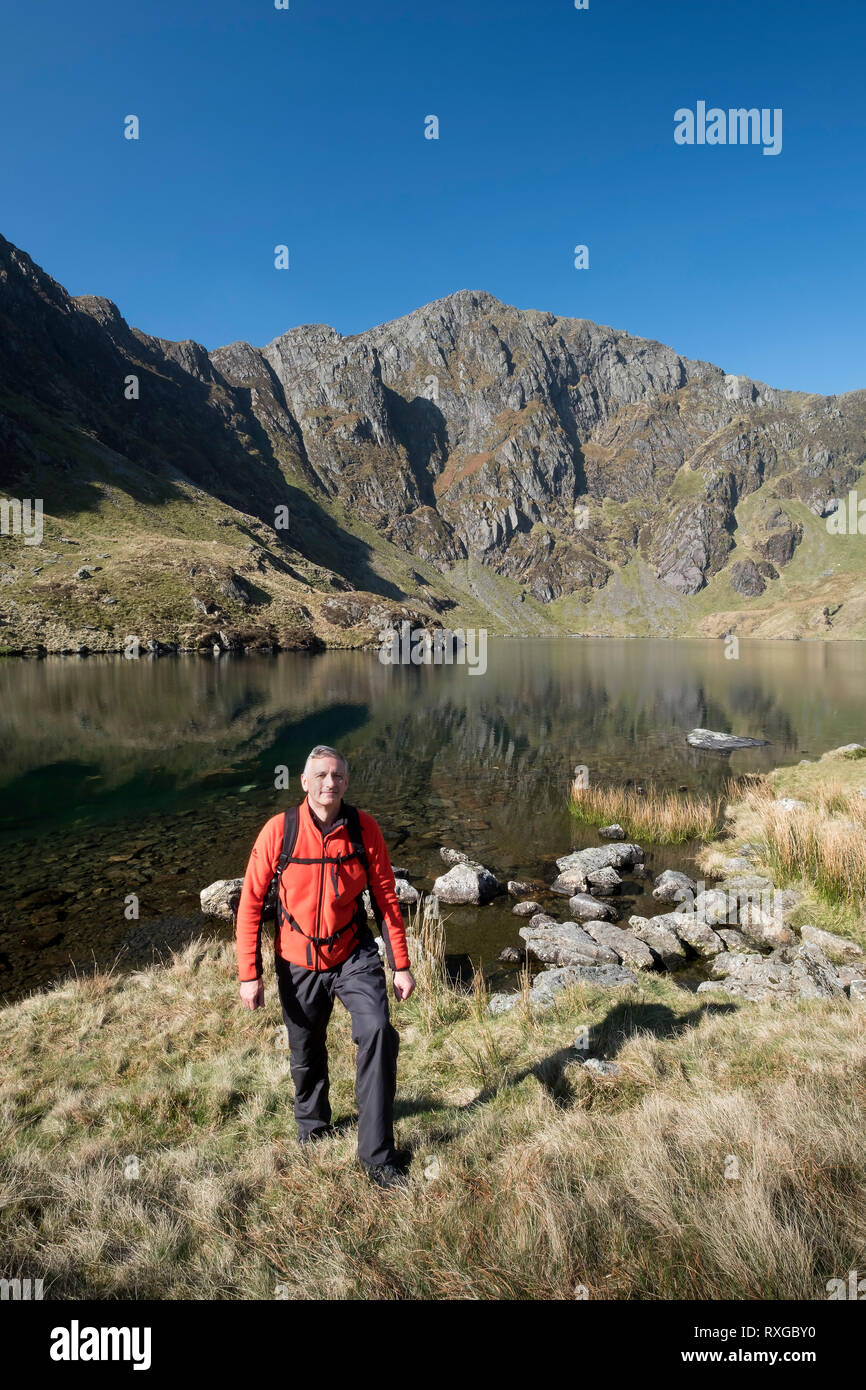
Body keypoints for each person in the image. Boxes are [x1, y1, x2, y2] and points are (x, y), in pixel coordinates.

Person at [235, 745, 416, 1189]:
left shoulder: (364, 829)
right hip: (296, 960)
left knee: (377, 1031)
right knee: (306, 1050)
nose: (328, 783)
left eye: (337, 776)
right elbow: (251, 903)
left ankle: (378, 1157)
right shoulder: (280, 831)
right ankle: (313, 1129)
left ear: (346, 782)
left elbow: (386, 899)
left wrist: (400, 964)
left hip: (353, 954)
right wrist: (249, 973)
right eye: (320, 775)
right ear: (304, 781)